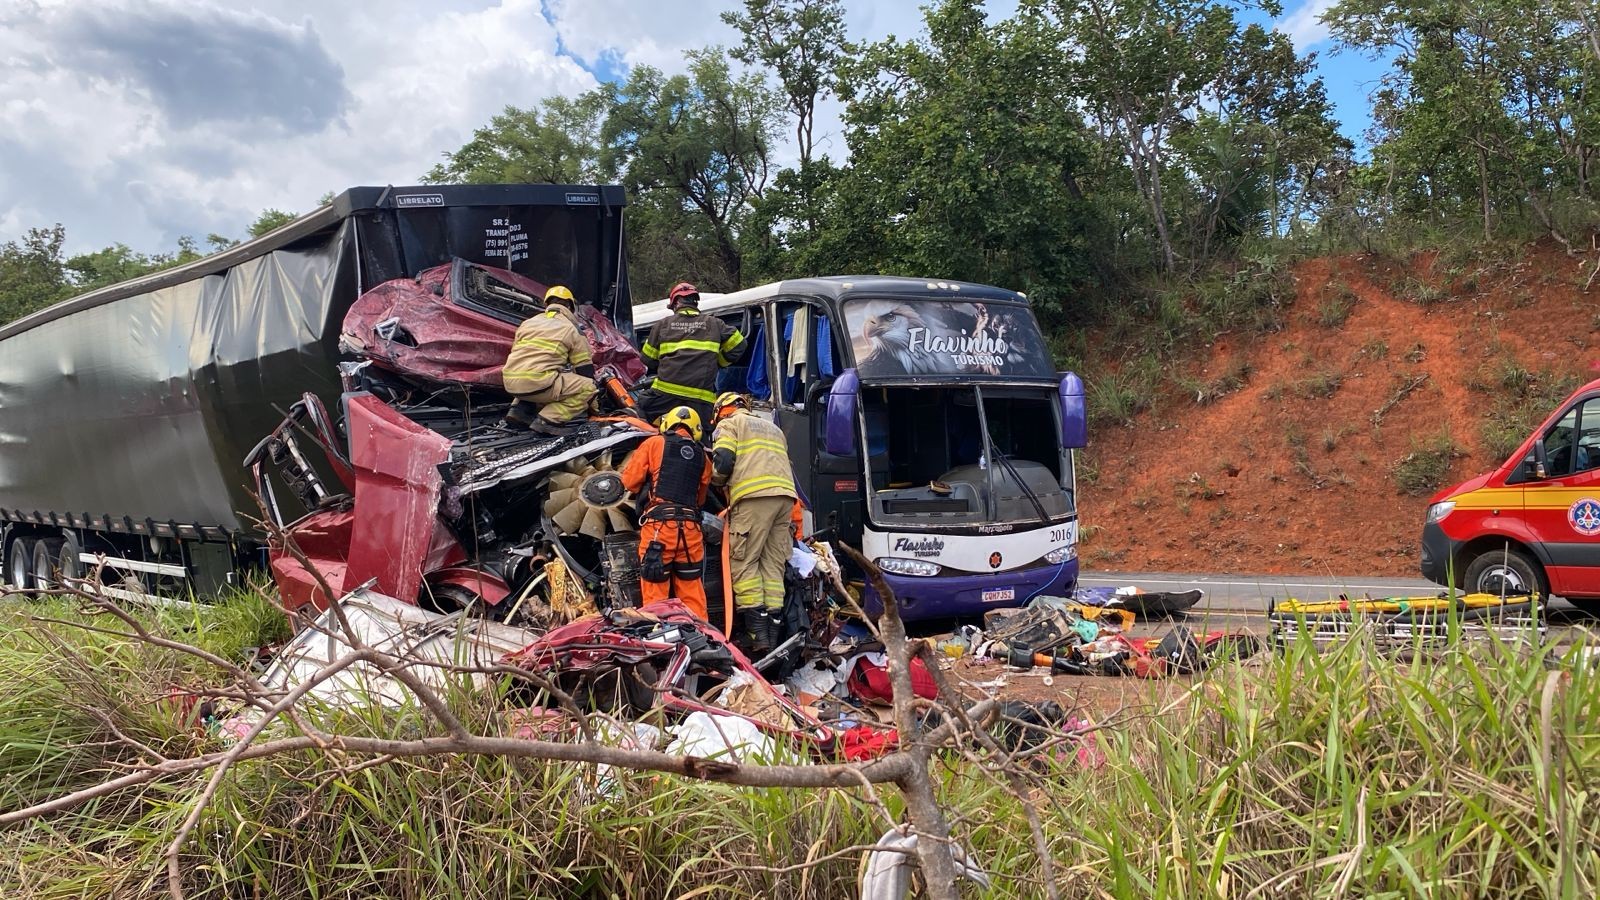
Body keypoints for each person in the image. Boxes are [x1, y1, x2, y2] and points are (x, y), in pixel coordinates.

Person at [709, 392, 805, 654]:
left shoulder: (729, 424)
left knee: (744, 561)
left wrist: (714, 480)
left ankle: (758, 637)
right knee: (772, 565)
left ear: (721, 409)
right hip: (785, 499)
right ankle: (773, 638)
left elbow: (724, 460)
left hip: (754, 499)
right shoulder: (773, 429)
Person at [620, 405, 712, 618]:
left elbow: (630, 481)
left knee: (655, 596)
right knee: (693, 595)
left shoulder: (653, 443)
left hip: (659, 531)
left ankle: (661, 640)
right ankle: (702, 639)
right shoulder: (702, 457)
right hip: (690, 532)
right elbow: (701, 499)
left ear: (667, 424)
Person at [638, 282, 745, 431]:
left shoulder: (662, 325)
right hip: (701, 401)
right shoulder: (714, 324)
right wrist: (718, 362)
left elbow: (647, 359)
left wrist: (666, 364)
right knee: (704, 440)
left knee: (638, 411)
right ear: (695, 303)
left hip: (665, 396)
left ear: (675, 303)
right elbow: (739, 344)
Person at [501, 285, 596, 435]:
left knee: (536, 376)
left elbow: (523, 356)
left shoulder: (528, 323)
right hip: (538, 383)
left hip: (510, 382)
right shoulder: (571, 328)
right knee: (588, 387)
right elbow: (585, 371)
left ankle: (519, 412)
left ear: (547, 305)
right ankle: (547, 420)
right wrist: (593, 404)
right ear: (571, 307)